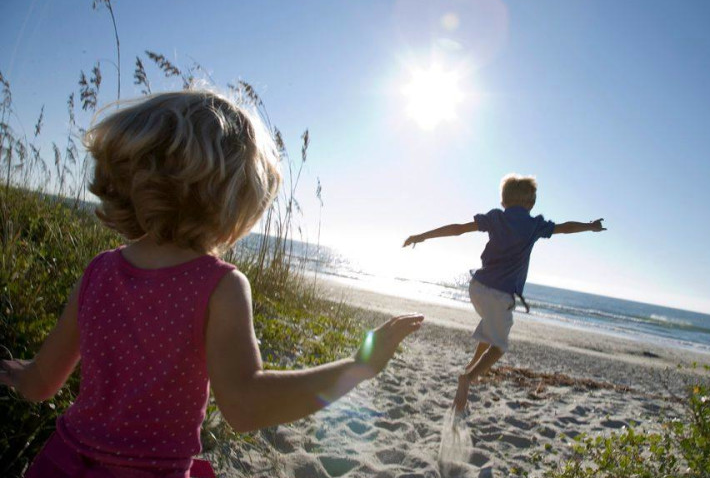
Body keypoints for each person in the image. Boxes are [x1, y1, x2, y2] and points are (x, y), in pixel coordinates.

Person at [0, 91, 424, 478]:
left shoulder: (98, 272)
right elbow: (244, 406)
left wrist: (13, 372)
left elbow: (40, 383)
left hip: (58, 465)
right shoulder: (219, 286)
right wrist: (358, 367)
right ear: (236, 197)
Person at [403, 173, 604, 412]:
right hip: (500, 296)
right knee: (499, 347)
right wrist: (590, 227)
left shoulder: (496, 218)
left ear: (503, 202)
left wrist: (422, 236)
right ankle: (468, 379)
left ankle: (470, 367)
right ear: (531, 204)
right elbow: (565, 228)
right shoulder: (534, 225)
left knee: (491, 329)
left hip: (477, 288)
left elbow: (458, 229)